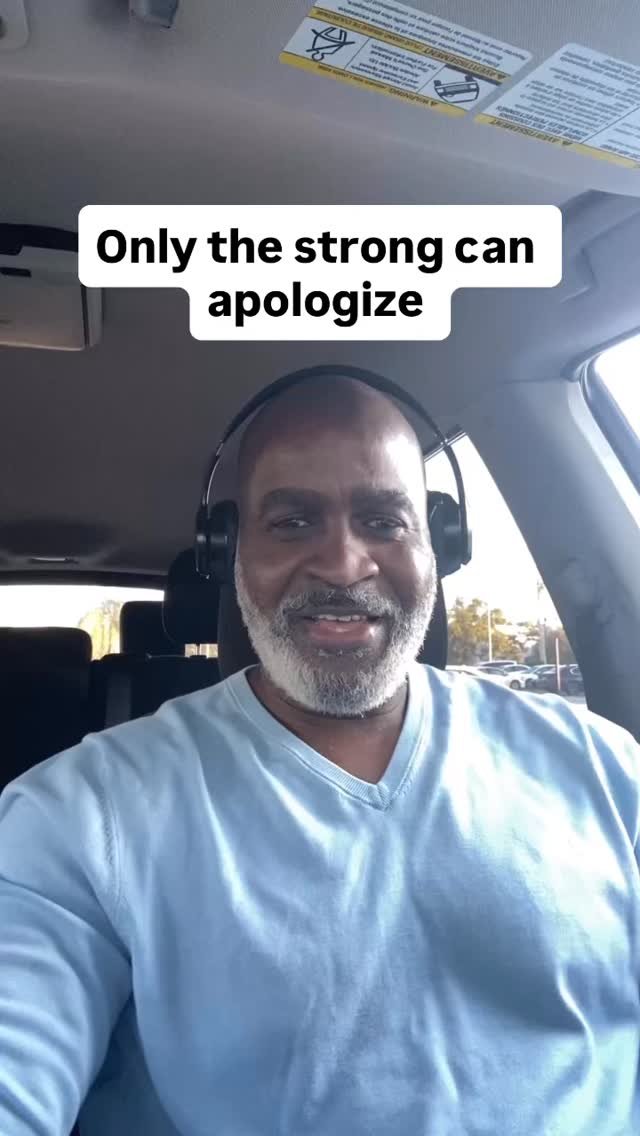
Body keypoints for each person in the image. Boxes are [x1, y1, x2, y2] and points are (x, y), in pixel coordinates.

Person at [1, 375, 639, 1136]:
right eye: (294, 521)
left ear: (439, 545)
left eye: (383, 521)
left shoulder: (601, 767)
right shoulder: (80, 813)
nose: (342, 564)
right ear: (229, 551)